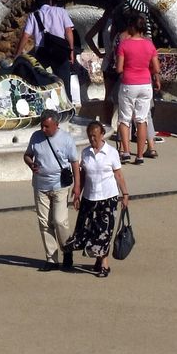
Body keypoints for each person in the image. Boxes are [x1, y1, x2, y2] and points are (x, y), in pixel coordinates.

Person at [65, 119, 130, 278]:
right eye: (89, 136)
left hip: (108, 197)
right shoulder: (85, 153)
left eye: (94, 136)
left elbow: (118, 175)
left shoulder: (111, 153)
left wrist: (125, 194)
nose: (92, 139)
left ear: (102, 135)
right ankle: (96, 259)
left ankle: (104, 265)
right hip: (89, 197)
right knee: (86, 231)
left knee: (104, 232)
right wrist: (77, 192)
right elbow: (82, 174)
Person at [23, 110, 80, 271]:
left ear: (56, 125)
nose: (43, 129)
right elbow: (27, 155)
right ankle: (51, 259)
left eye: (47, 126)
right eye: (42, 126)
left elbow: (75, 163)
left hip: (60, 186)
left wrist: (77, 186)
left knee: (60, 220)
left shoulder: (66, 139)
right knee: (44, 223)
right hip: (40, 186)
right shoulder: (35, 137)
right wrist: (30, 163)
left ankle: (67, 250)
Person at [116, 15, 161, 164]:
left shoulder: (124, 44)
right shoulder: (149, 45)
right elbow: (156, 68)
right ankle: (140, 155)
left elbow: (119, 68)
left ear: (132, 27)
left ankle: (126, 152)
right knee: (142, 120)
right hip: (145, 84)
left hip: (128, 83)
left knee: (124, 119)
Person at [16, 0, 76, 87]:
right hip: (59, 51)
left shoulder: (33, 15)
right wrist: (71, 51)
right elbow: (68, 31)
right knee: (64, 83)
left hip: (42, 52)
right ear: (50, 1)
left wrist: (18, 55)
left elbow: (25, 36)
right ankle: (66, 99)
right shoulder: (61, 11)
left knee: (38, 81)